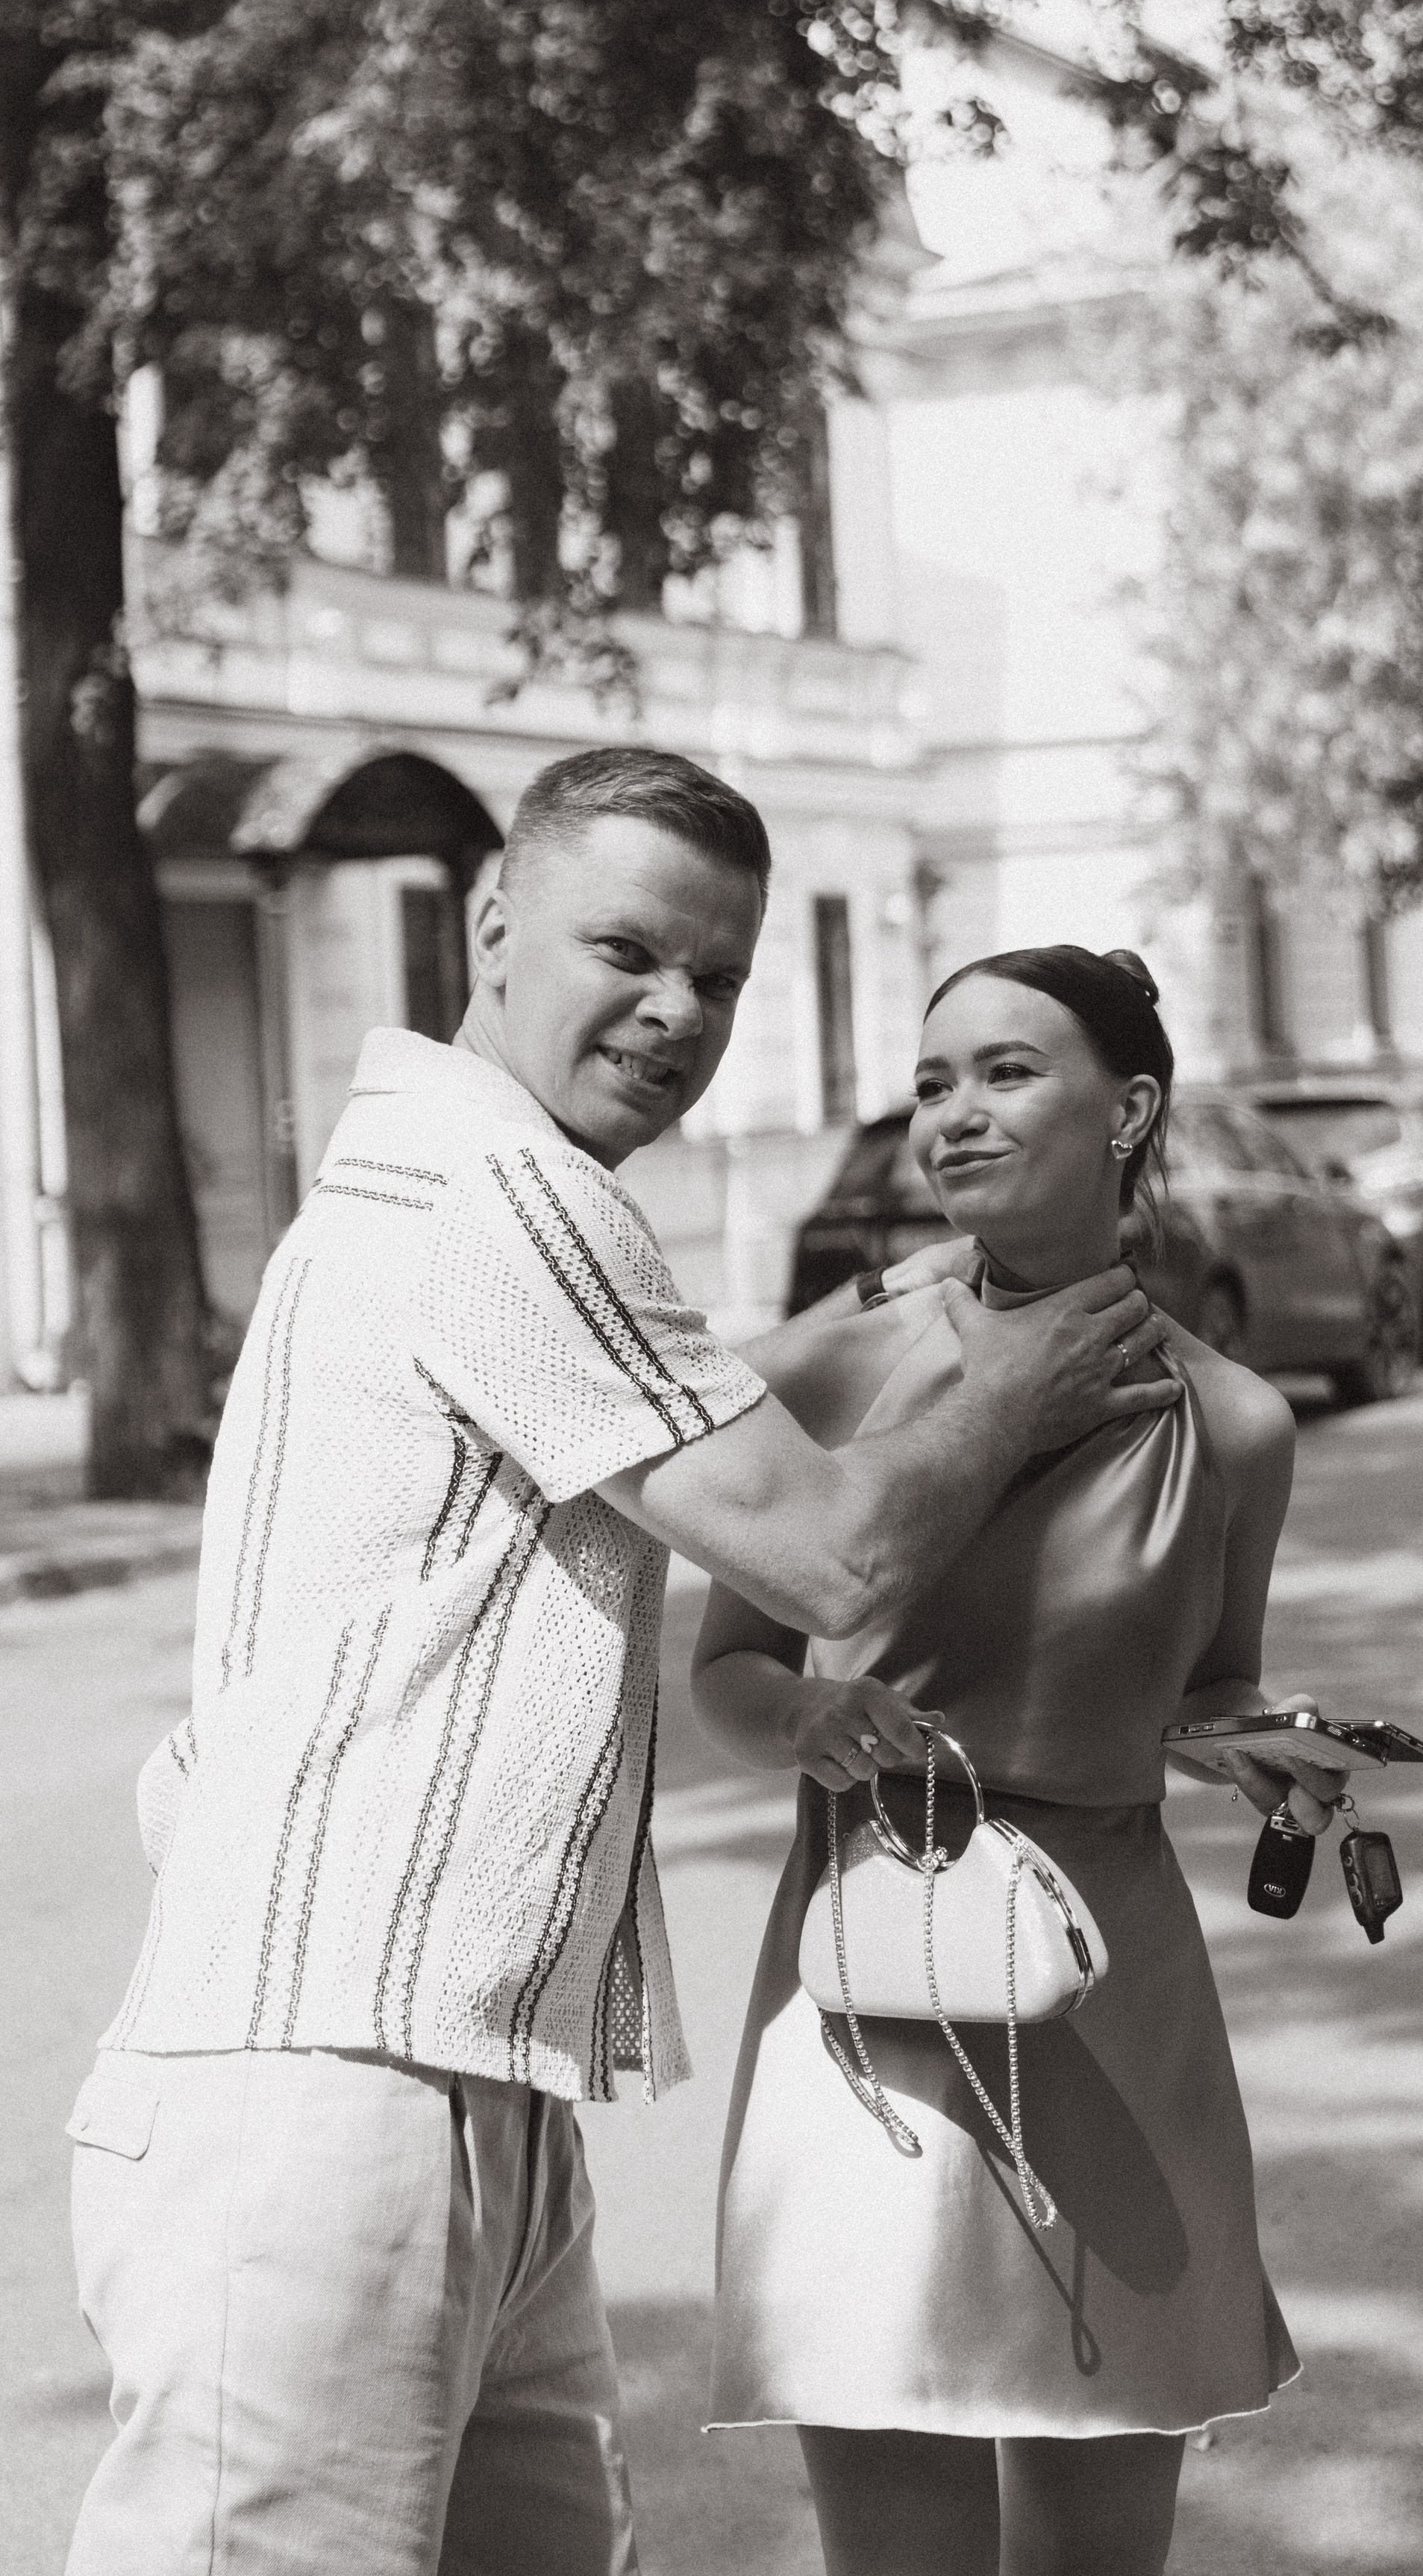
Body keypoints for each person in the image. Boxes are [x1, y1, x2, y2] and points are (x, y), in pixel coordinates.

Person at [63, 751, 1178, 2576]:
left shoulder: (467, 1180)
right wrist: (1006, 1385)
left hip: (463, 2082)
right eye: (629, 950)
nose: (677, 1012)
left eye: (721, 977)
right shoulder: (498, 1191)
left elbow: (681, 1420)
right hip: (327, 2094)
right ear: (494, 921)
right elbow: (823, 1546)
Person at [694, 944, 1343, 2576]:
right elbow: (724, 1671)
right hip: (873, 1994)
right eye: (931, 1082)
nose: (952, 1116)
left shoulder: (1238, 1427)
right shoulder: (836, 1366)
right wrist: (809, 1719)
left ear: (1126, 1109)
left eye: (1003, 1072)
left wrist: (1258, 1749)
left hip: (1111, 2008)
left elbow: (1206, 1688)